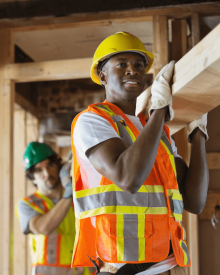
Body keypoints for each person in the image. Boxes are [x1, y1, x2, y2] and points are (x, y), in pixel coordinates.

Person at [70, 32, 209, 275]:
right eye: (121, 64)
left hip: (167, 264)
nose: (132, 70)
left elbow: (194, 202)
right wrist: (158, 112)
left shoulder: (156, 130)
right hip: (122, 268)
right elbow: (128, 179)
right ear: (102, 75)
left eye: (139, 65)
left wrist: (198, 135)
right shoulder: (92, 121)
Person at [16, 142, 94, 275]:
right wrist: (68, 194)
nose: (46, 173)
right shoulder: (27, 204)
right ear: (32, 178)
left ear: (59, 167)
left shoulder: (79, 197)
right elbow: (43, 228)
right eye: (39, 170)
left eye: (50, 165)